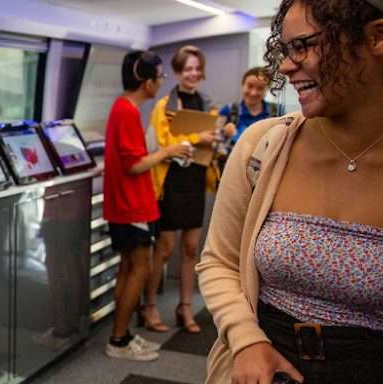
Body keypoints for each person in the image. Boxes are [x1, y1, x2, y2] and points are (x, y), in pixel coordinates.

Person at [190, 1, 383, 384]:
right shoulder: (264, 147)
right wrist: (245, 342)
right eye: (283, 50)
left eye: (305, 46)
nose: (285, 67)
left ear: (378, 38)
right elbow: (218, 261)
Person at [102, 50, 192, 362]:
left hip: (127, 206)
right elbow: (134, 166)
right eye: (160, 77)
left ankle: (122, 334)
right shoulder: (127, 112)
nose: (160, 83)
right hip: (131, 207)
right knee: (140, 269)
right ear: (147, 82)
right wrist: (168, 151)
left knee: (129, 268)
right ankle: (118, 339)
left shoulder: (122, 107)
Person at [141, 45, 223, 335]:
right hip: (170, 181)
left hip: (196, 178)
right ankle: (149, 306)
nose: (193, 73)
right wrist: (198, 137)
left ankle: (184, 307)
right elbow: (165, 144)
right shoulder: (165, 105)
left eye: (197, 68)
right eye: (187, 68)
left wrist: (217, 138)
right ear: (177, 72)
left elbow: (210, 145)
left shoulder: (208, 104)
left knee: (191, 248)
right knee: (164, 249)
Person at [216, 66, 276, 167]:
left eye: (260, 88)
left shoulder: (276, 113)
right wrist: (223, 134)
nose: (253, 92)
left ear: (267, 89)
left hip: (264, 168)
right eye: (250, 86)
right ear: (242, 85)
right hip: (232, 167)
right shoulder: (228, 110)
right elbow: (214, 138)